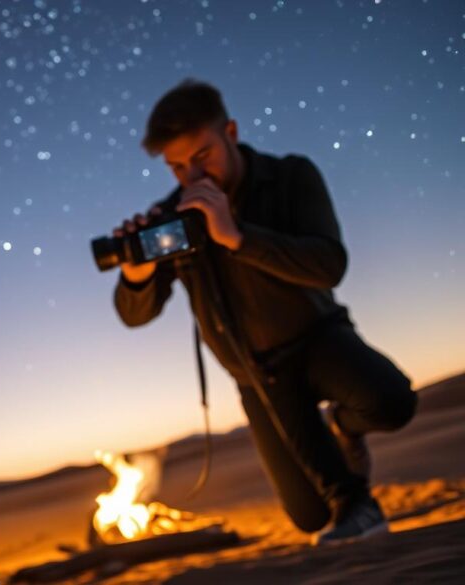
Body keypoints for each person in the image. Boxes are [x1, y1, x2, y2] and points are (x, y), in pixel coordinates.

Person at [113, 79, 416, 545]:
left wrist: (236, 236)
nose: (193, 176)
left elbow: (329, 265)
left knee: (393, 402)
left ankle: (344, 434)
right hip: (255, 374)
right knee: (309, 516)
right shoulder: (173, 217)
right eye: (177, 167)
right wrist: (137, 275)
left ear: (231, 132)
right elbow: (135, 316)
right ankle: (342, 494)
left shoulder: (291, 175)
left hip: (318, 338)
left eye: (202, 156)